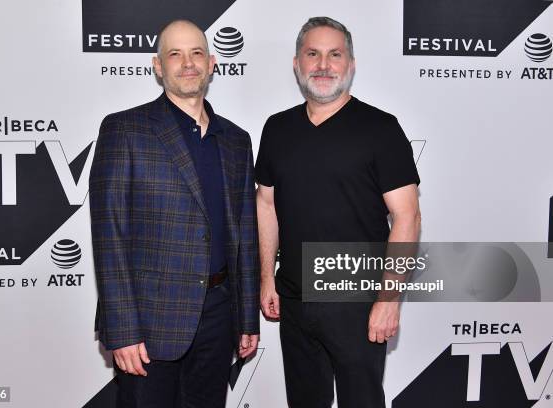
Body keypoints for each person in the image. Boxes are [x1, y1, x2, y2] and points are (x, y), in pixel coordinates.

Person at [89, 19, 260, 408]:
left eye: (197, 53)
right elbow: (109, 236)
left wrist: (247, 317)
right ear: (157, 65)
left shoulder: (236, 140)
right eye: (175, 54)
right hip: (149, 322)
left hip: (219, 317)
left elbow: (245, 236)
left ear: (212, 63)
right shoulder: (125, 129)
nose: (188, 63)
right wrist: (123, 329)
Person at [256, 16, 421, 408]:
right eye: (313, 54)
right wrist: (267, 279)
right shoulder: (277, 129)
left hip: (358, 302)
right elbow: (266, 203)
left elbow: (407, 217)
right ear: (297, 64)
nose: (324, 65)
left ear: (351, 64)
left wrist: (388, 300)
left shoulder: (381, 128)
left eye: (335, 55)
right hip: (294, 299)